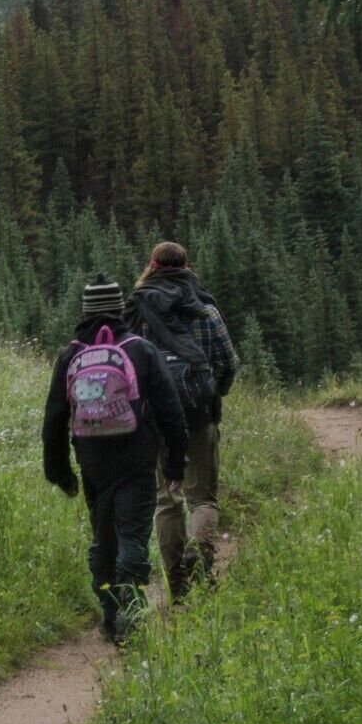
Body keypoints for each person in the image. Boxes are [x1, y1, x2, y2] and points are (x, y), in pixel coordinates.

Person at [44, 279, 190, 644]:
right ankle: (131, 605)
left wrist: (59, 472)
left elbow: (54, 418)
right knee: (133, 531)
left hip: (91, 459)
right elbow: (171, 410)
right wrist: (175, 463)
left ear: (86, 311)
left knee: (103, 535)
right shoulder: (140, 349)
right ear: (121, 307)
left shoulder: (70, 354)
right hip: (136, 455)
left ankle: (109, 611)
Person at [127, 241, 240, 600]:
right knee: (203, 498)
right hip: (198, 412)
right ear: (187, 267)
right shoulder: (205, 309)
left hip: (155, 417)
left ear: (151, 265)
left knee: (167, 500)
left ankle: (176, 584)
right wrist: (212, 395)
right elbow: (229, 362)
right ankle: (200, 554)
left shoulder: (137, 310)